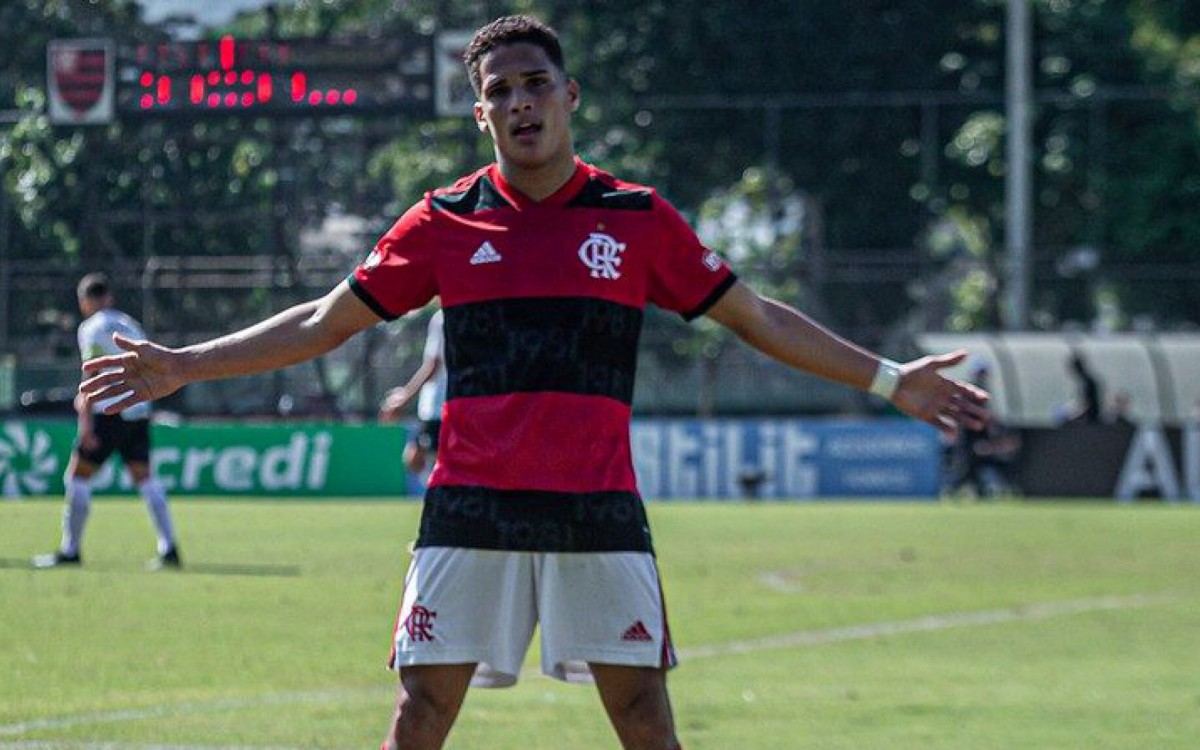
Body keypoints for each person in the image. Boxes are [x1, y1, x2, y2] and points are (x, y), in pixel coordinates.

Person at [78, 16, 989, 750]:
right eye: (499, 92)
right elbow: (326, 320)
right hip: (472, 506)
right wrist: (185, 363)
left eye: (535, 85)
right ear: (482, 116)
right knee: (422, 715)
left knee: (643, 721)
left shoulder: (636, 220)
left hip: (596, 507)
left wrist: (888, 377)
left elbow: (755, 315)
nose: (520, 104)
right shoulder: (440, 222)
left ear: (570, 97)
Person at [33, 273, 181, 570]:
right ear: (109, 298)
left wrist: (85, 421)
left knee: (77, 477)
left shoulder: (91, 327)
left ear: (85, 302)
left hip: (108, 412)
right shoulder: (130, 324)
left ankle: (71, 550)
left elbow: (92, 373)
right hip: (138, 411)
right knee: (146, 479)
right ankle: (169, 549)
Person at [378, 307, 445, 481]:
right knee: (417, 458)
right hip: (442, 405)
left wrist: (405, 397)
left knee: (425, 460)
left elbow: (433, 365)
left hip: (440, 407)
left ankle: (439, 499)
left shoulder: (443, 317)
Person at [948, 363, 1019, 498]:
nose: (983, 377)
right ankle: (953, 489)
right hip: (969, 437)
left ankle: (982, 491)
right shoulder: (968, 392)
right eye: (981, 374)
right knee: (967, 466)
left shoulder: (984, 392)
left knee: (981, 465)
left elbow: (988, 417)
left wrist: (993, 435)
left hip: (981, 436)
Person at [1064, 353, 1101, 424]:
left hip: (1090, 418)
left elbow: (1089, 405)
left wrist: (1075, 416)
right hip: (1090, 415)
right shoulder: (1088, 381)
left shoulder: (1088, 383)